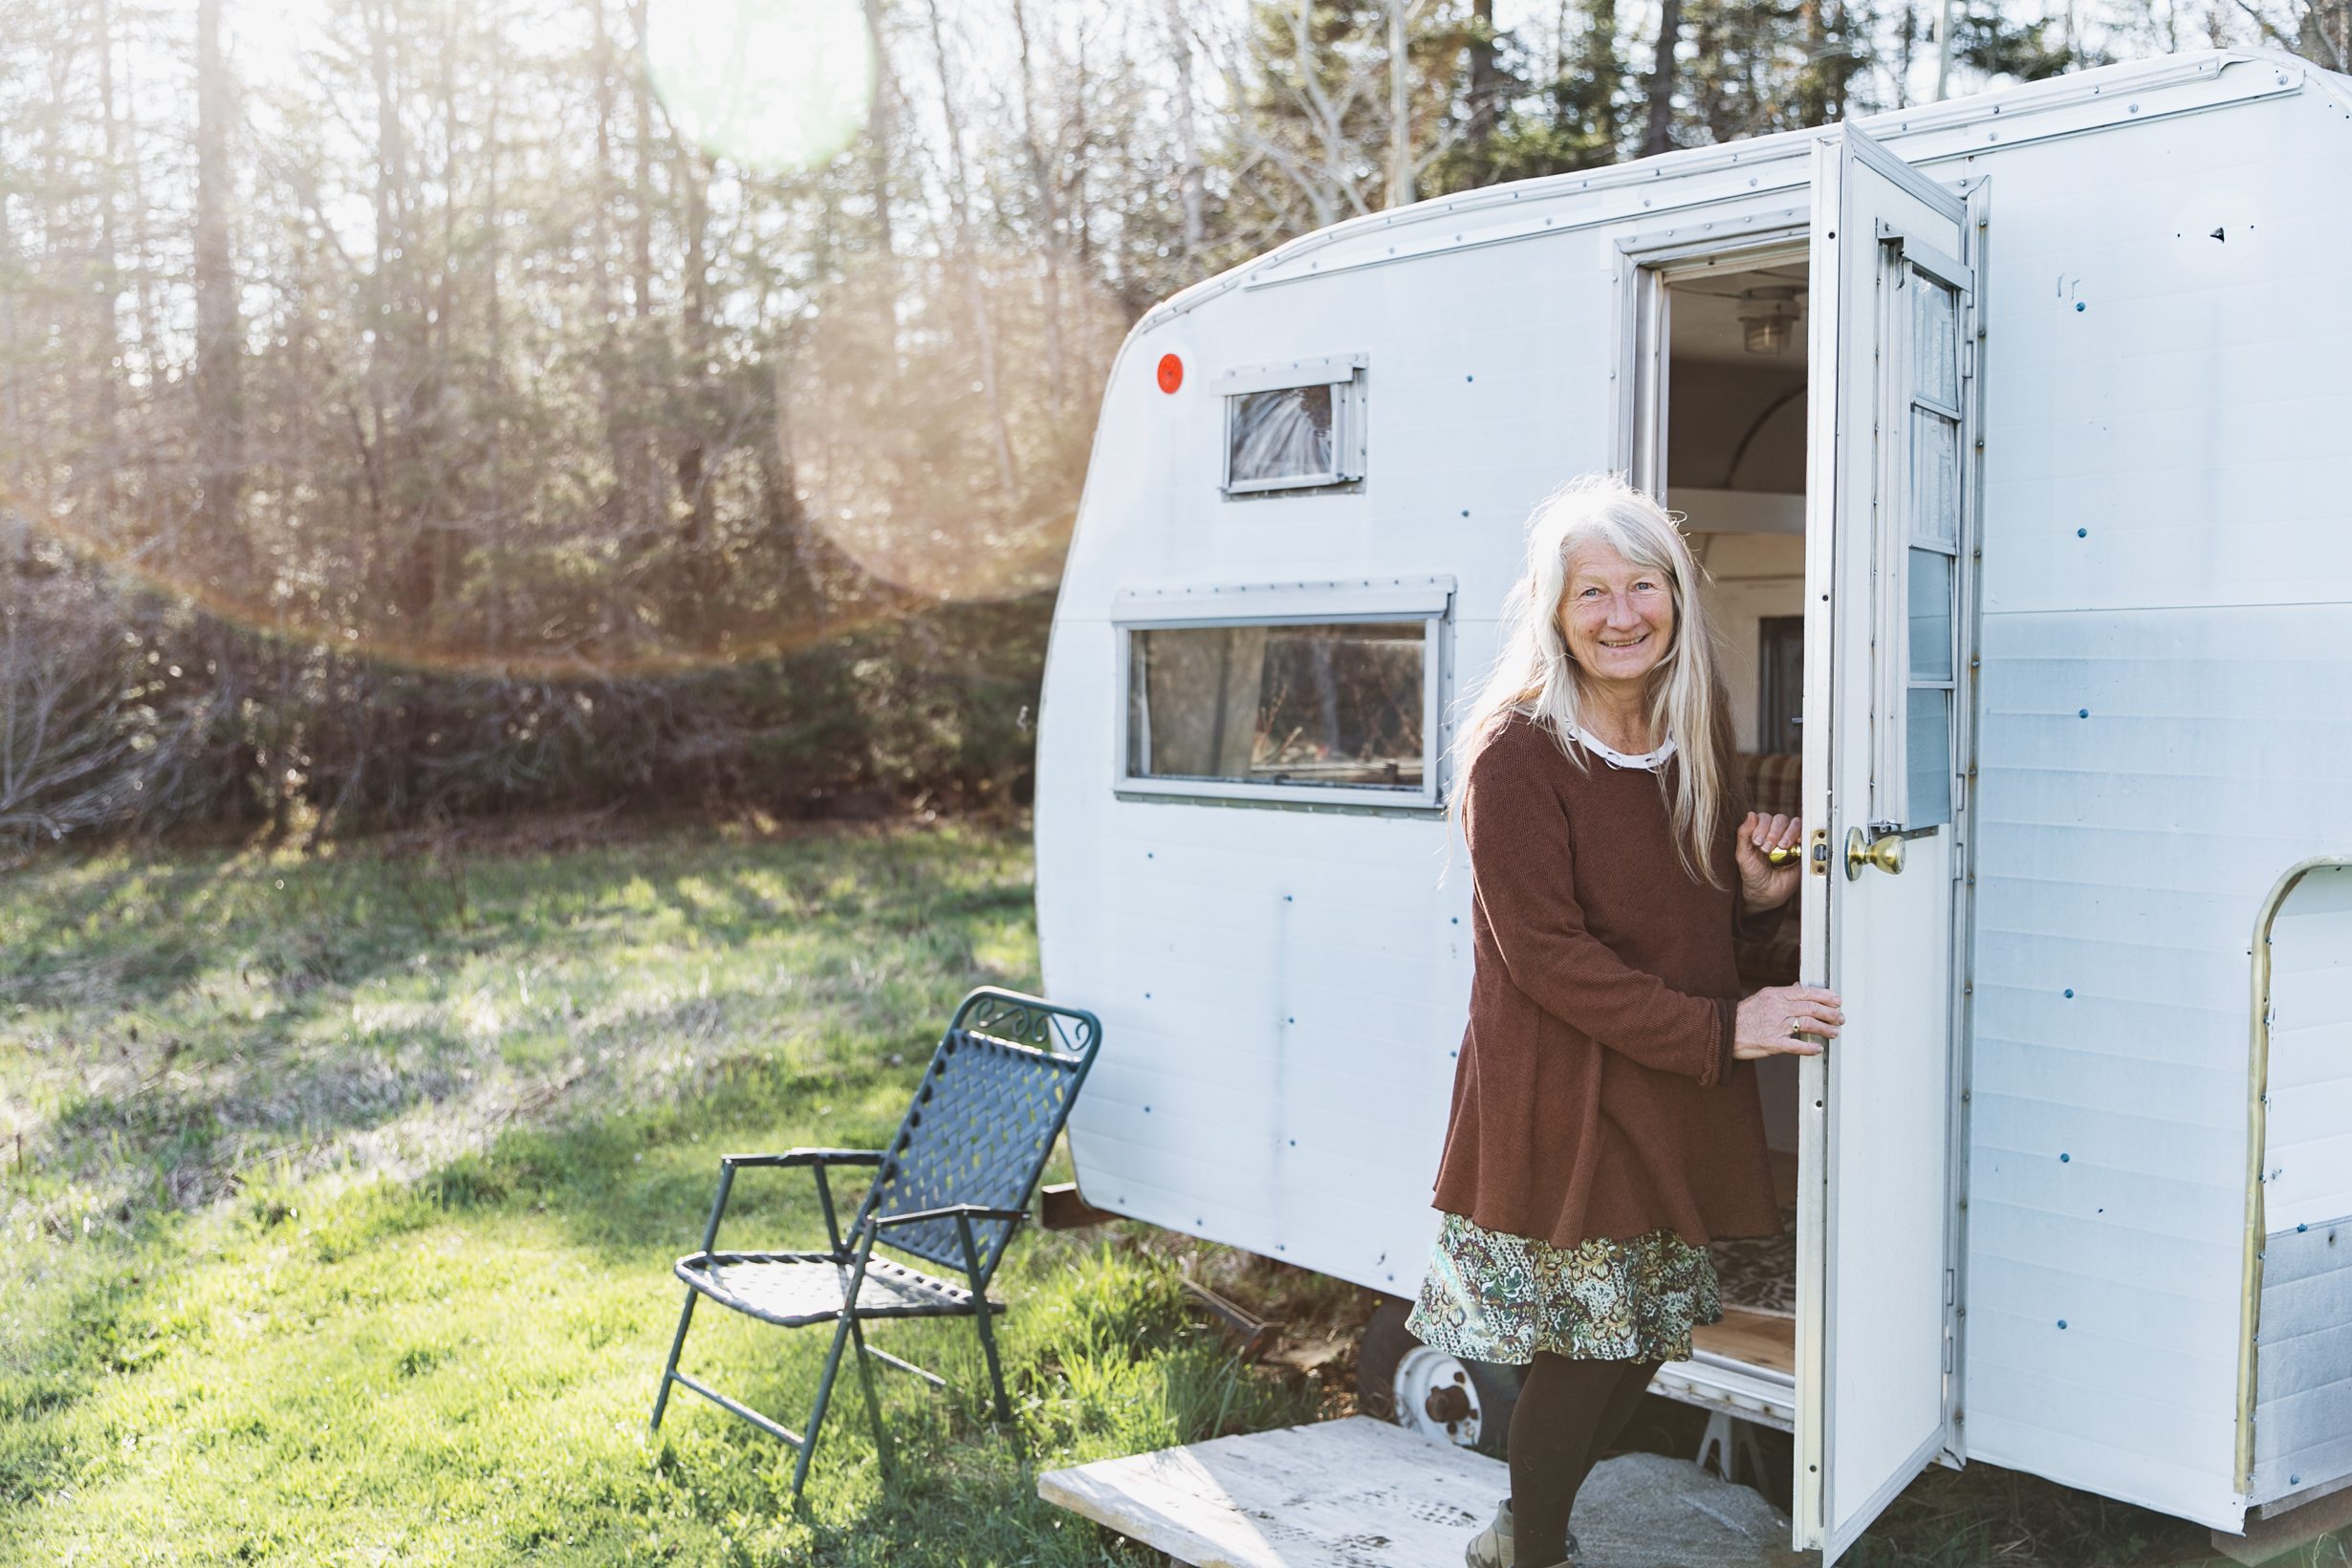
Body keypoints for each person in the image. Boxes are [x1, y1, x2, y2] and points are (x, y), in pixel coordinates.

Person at [1404, 474, 1843, 1568]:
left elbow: (1679, 929)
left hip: (1666, 1085)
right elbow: (1545, 957)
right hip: (1570, 1086)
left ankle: (1519, 1530)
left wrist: (1747, 895)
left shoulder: (1690, 734)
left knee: (1646, 1333)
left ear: (1675, 598)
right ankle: (1535, 1551)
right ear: (1554, 609)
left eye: (1641, 585)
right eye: (1590, 590)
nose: (1619, 614)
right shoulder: (1518, 753)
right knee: (1588, 1345)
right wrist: (1724, 1032)